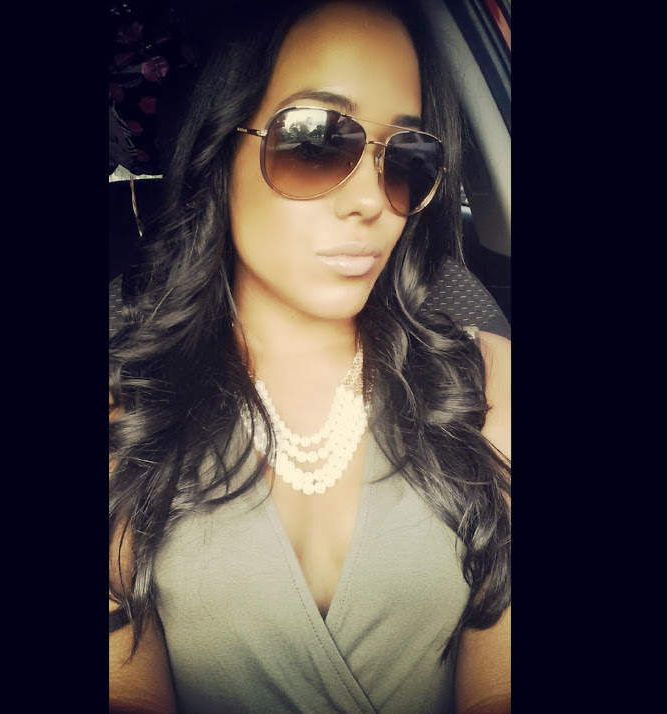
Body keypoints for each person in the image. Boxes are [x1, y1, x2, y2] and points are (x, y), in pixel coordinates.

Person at [109, 1, 511, 712]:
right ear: (221, 149)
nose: (370, 201)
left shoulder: (489, 381)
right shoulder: (126, 400)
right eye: (316, 140)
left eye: (408, 156)